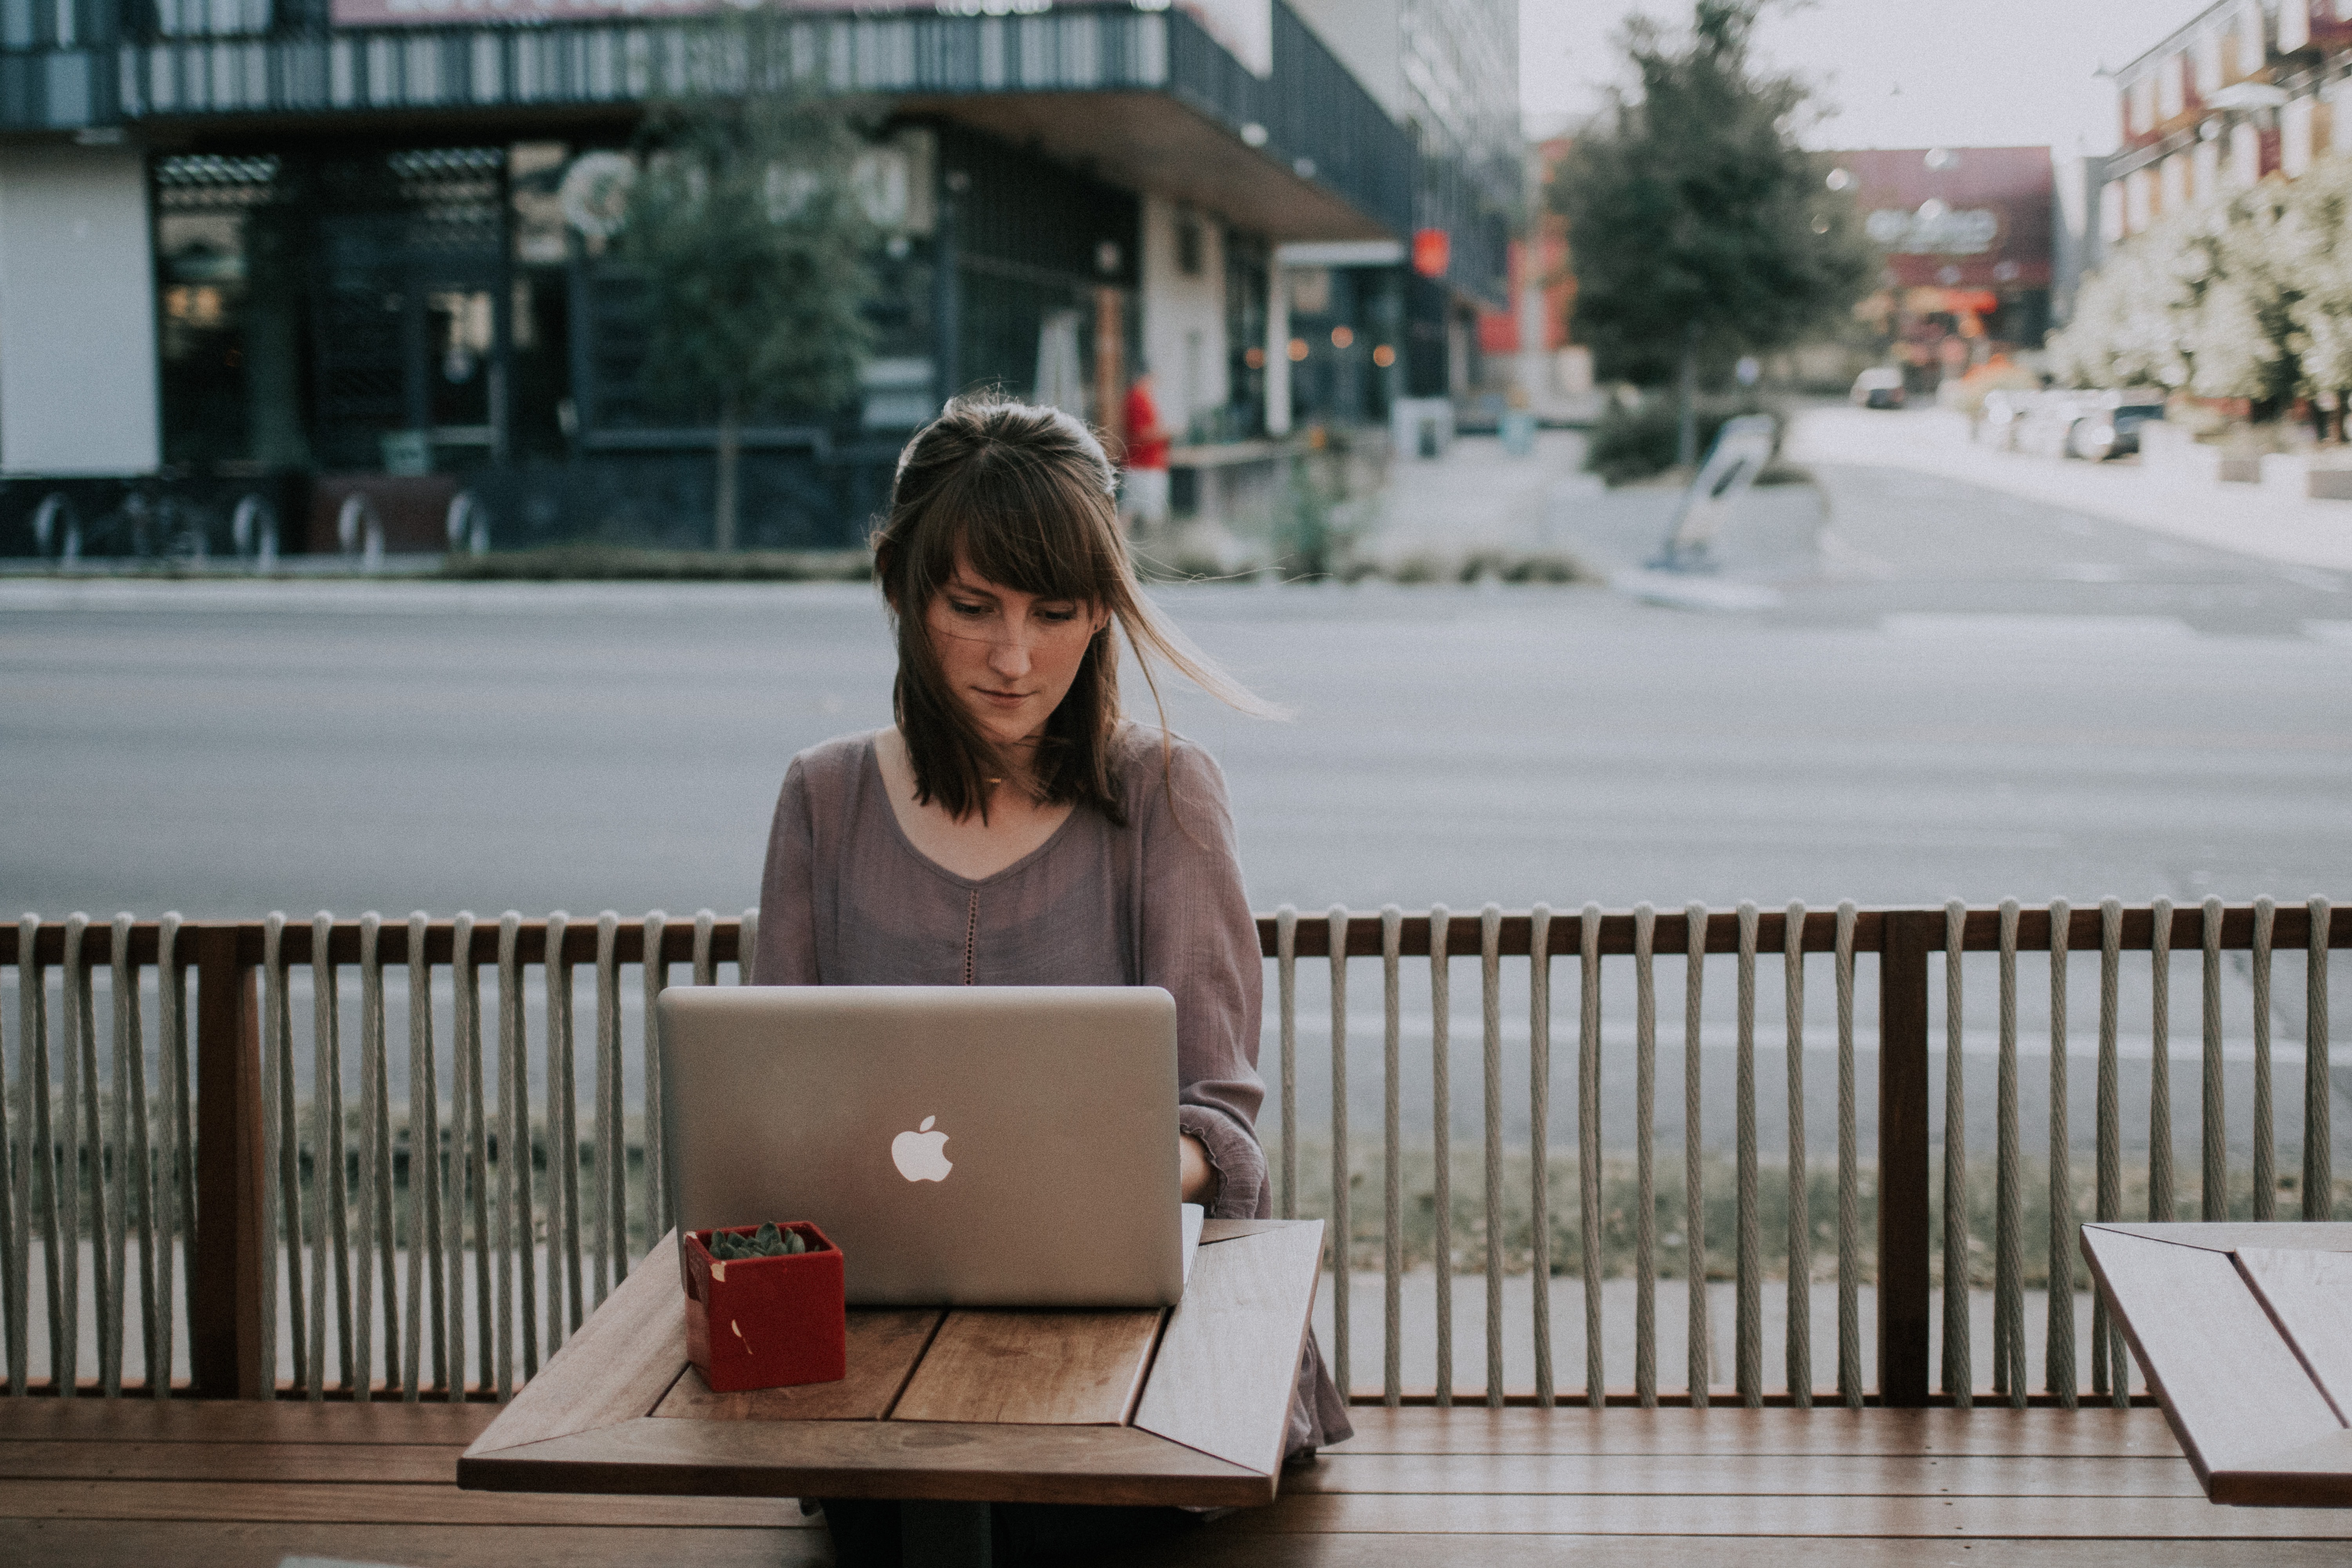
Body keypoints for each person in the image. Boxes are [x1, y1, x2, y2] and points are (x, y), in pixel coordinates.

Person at [753, 396, 1349, 1565]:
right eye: (970, 608)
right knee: (915, 1496)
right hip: (881, 1339)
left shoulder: (1163, 793)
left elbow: (1221, 1128)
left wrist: (1074, 1174)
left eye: (1055, 611)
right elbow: (770, 1104)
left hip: (1135, 1346)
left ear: (1101, 614)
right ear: (899, 588)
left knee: (1032, 1515)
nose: (1013, 657)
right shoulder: (822, 798)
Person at [1118, 367, 1172, 537]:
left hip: (1146, 464)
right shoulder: (1137, 399)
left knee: (1131, 509)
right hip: (1143, 466)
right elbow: (1141, 434)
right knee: (1143, 511)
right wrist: (1167, 432)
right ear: (1145, 378)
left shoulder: (1142, 399)